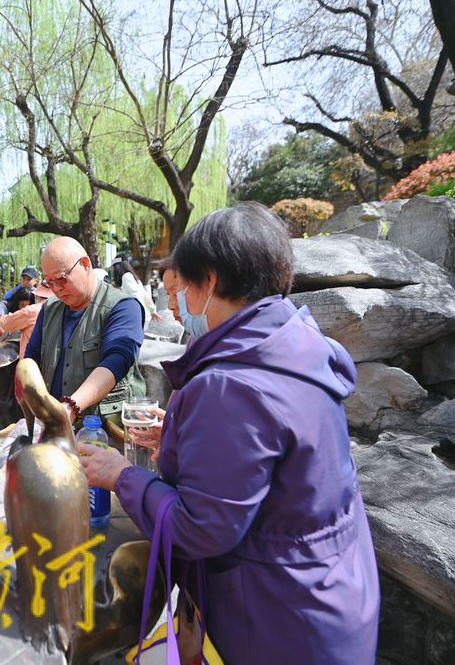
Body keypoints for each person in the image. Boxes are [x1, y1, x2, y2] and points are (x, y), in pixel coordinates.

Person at [79, 202, 380, 664]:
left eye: (183, 286)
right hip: (335, 593)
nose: (178, 302)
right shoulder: (297, 349)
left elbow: (201, 528)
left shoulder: (230, 384)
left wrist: (122, 475)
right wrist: (181, 437)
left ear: (212, 279)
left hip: (275, 623)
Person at [24, 237, 145, 428]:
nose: (56, 289)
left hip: (105, 431)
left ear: (86, 265)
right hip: (56, 427)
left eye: (62, 279)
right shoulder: (48, 310)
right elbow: (31, 357)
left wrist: (71, 407)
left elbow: (117, 360)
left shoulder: (123, 307)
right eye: (49, 283)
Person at [0, 282, 52, 357]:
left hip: (30, 362)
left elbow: (5, 322)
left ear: (37, 296)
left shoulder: (32, 310)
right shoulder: (61, 309)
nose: (24, 307)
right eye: (22, 305)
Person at [111, 256, 161, 326]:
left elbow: (136, 296)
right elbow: (145, 295)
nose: (112, 269)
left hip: (136, 316)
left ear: (117, 267)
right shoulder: (134, 278)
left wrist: (137, 315)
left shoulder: (126, 277)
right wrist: (152, 311)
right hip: (140, 315)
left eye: (113, 267)